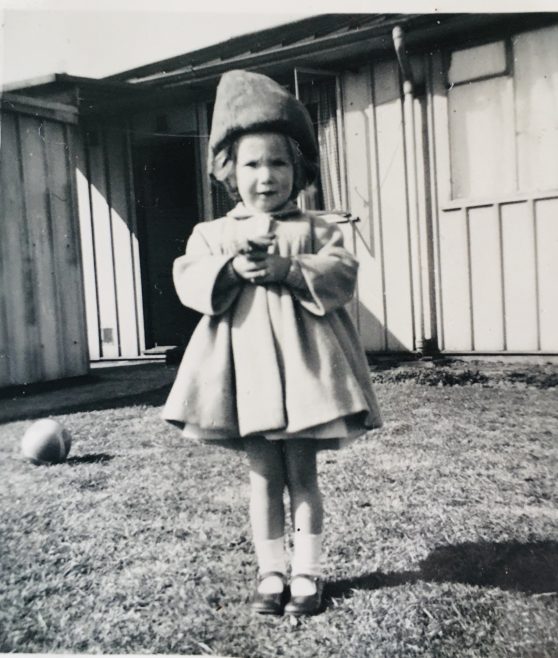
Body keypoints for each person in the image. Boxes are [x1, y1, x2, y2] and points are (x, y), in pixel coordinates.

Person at [162, 69, 382, 616]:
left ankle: (306, 572)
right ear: (229, 171)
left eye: (279, 162)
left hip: (307, 378)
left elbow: (341, 274)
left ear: (299, 168)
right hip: (246, 379)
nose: (266, 176)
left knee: (302, 473)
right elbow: (189, 279)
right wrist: (232, 267)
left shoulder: (319, 227)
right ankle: (271, 572)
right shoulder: (212, 234)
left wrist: (287, 266)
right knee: (263, 475)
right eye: (252, 163)